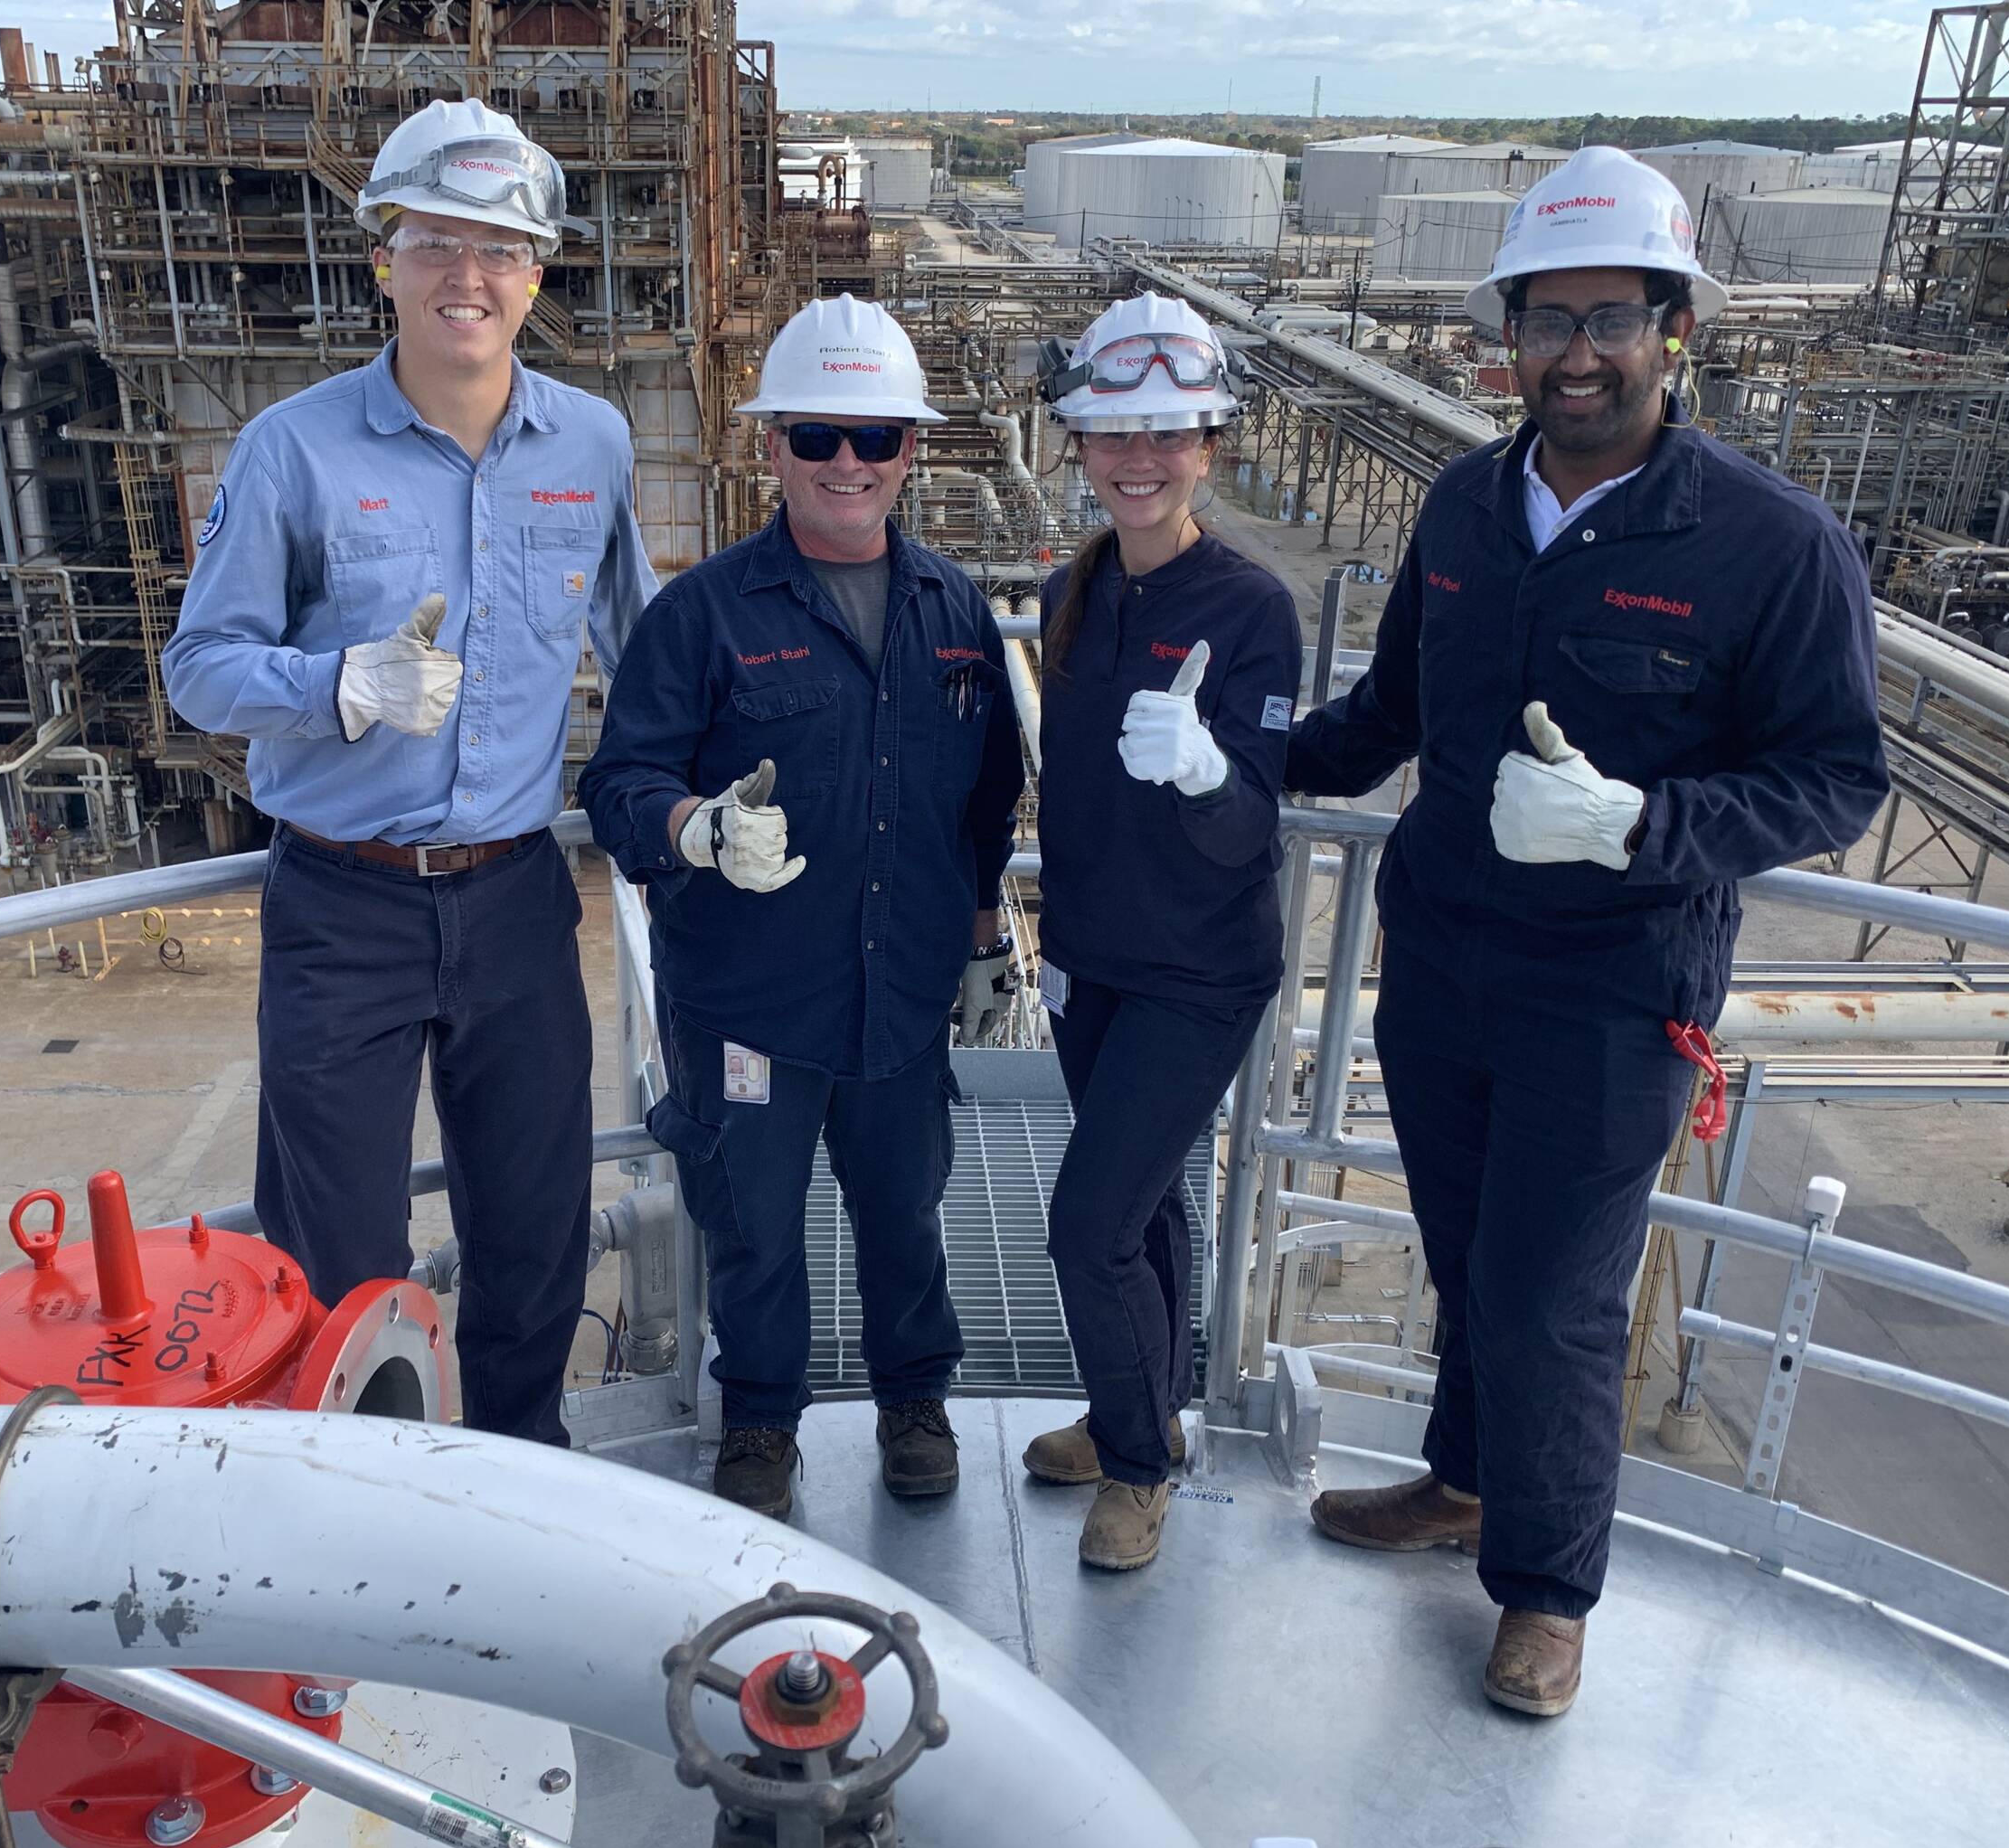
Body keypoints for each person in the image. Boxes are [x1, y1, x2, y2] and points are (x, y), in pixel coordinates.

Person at [1284, 147, 1888, 1715]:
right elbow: (1397, 710)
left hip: (1618, 990)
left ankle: (1548, 1591)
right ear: (1509, 337)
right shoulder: (1468, 504)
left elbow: (1836, 780)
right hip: (1445, 960)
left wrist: (1647, 823)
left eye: (1612, 317)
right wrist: (1247, 757)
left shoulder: (1769, 542)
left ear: (1674, 329)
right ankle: (1466, 1480)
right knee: (1471, 1249)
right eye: (1547, 320)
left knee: (1555, 1290)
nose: (1576, 352)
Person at [163, 99, 656, 1447]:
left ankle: (518, 1463)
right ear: (383, 256)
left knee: (536, 1219)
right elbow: (197, 666)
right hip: (345, 904)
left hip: (514, 895)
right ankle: (361, 1487)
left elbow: (650, 652)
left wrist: (703, 791)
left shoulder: (593, 446)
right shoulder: (294, 448)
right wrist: (337, 686)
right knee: (336, 1244)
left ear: (538, 272)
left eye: (500, 247)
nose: (469, 276)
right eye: (436, 241)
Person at [579, 295, 1025, 1518]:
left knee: (905, 1218)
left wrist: (987, 946)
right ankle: (764, 1418)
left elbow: (984, 806)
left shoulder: (955, 618)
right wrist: (696, 830)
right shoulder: (703, 615)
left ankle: (912, 1399)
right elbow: (620, 782)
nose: (846, 463)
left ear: (909, 454)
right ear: (769, 444)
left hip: (899, 998)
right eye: (818, 434)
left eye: (874, 438)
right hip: (752, 1010)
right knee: (756, 1231)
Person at [1014, 296, 1301, 1572]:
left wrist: (1206, 773)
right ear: (1076, 442)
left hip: (1197, 975)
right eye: (1111, 434)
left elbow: (1255, 828)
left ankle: (1135, 1467)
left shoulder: (1250, 609)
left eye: (1168, 435)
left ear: (1211, 444)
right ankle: (1154, 1416)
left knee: (1090, 1223)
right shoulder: (1072, 587)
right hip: (1091, 962)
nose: (1138, 460)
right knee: (1152, 1210)